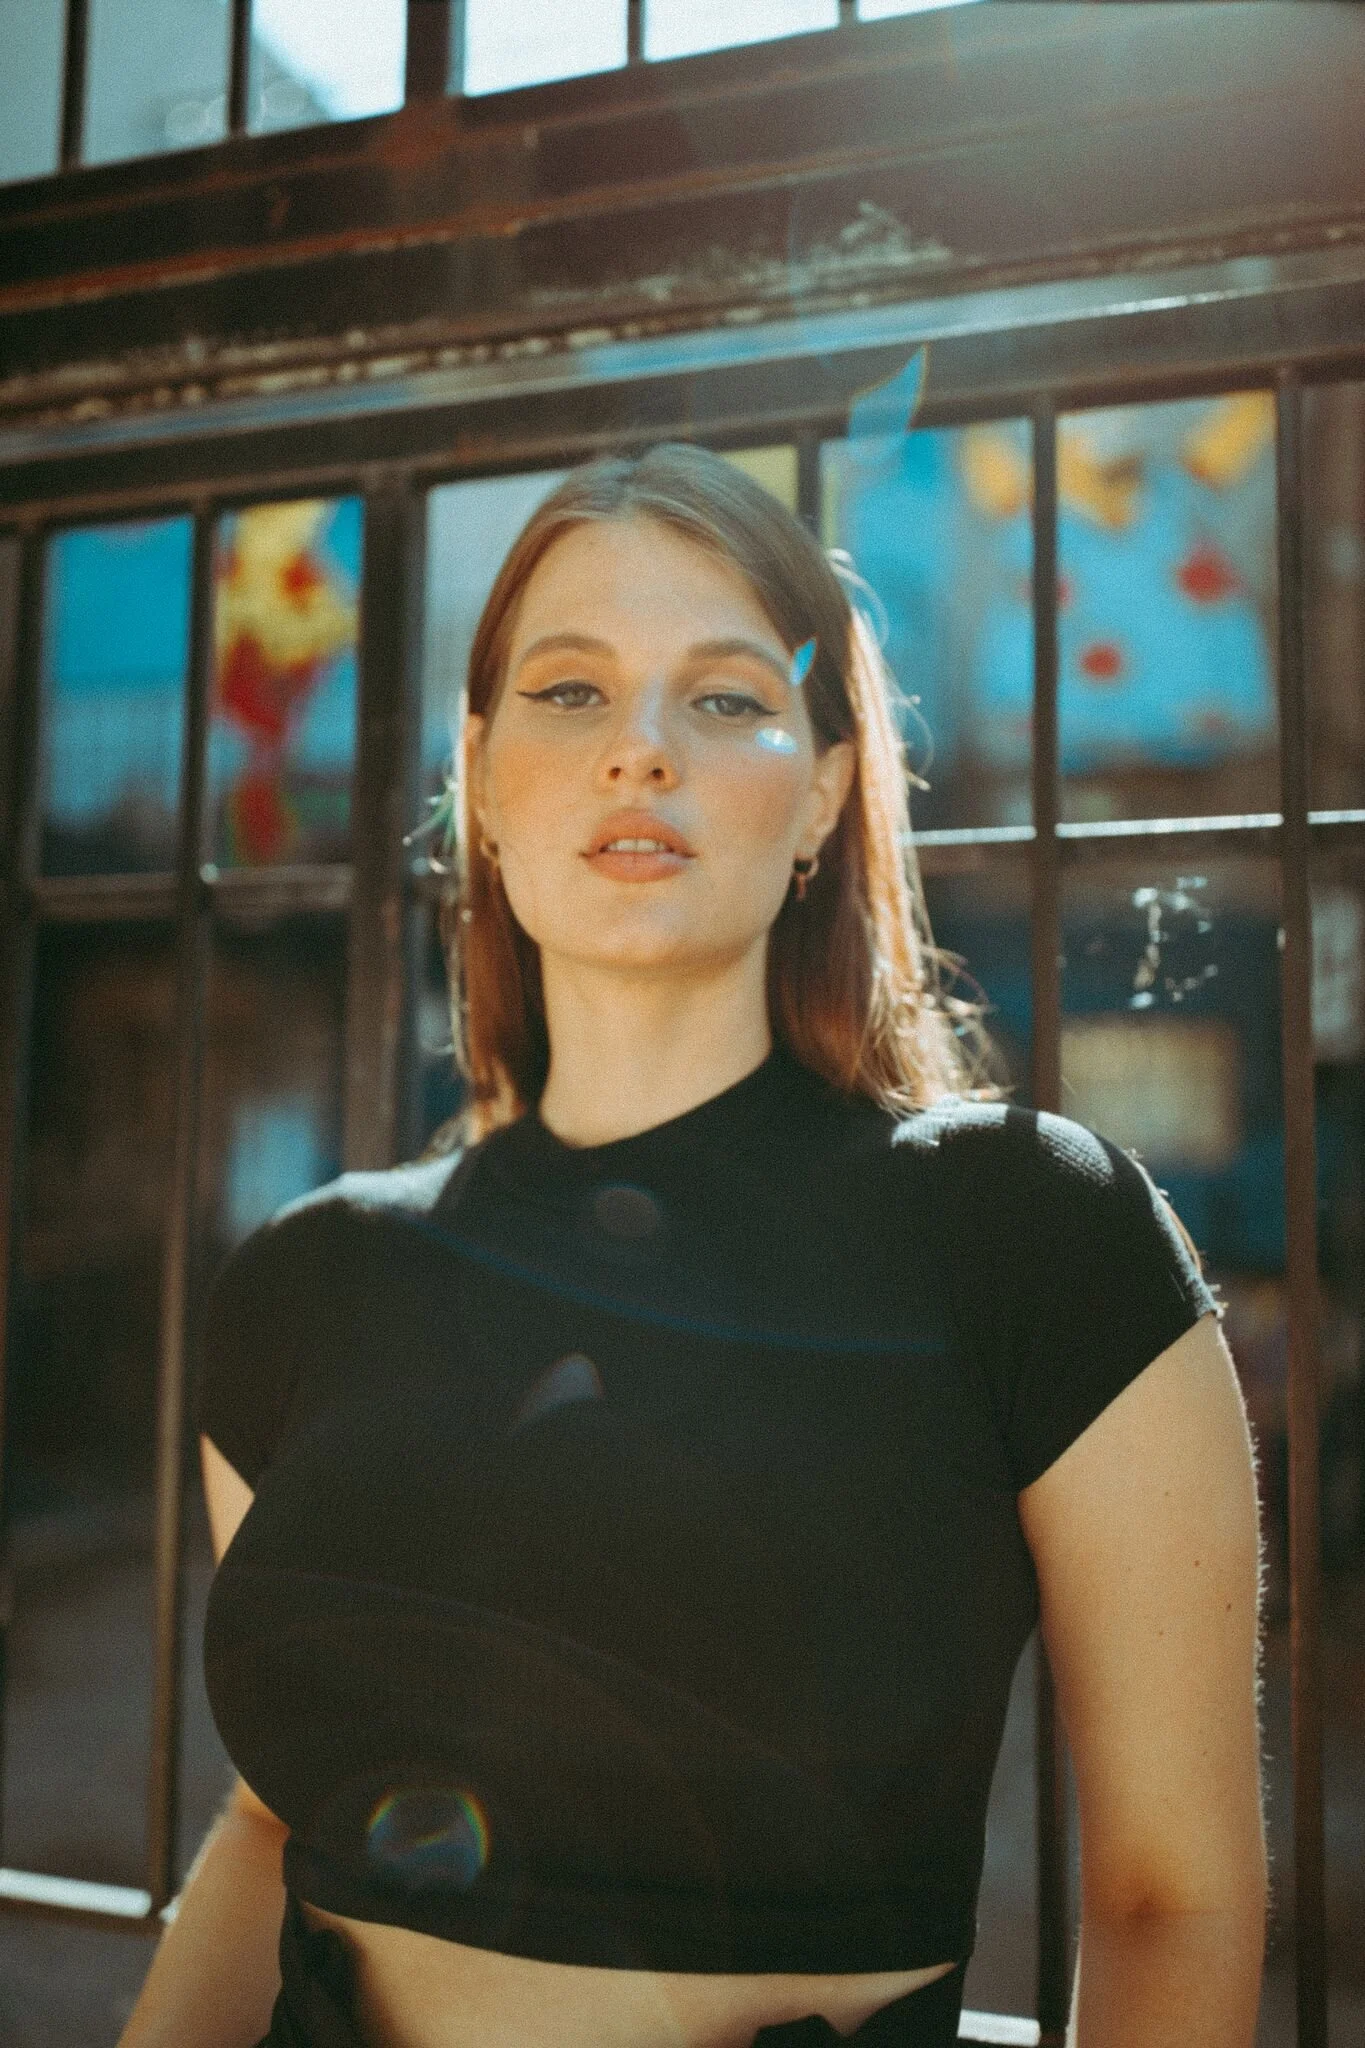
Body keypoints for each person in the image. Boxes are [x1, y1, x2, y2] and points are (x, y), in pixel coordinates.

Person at [118, 445, 1266, 2048]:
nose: (638, 750)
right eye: (570, 693)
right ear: (483, 783)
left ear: (823, 794)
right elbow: (262, 1828)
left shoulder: (1036, 1236)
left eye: (725, 699)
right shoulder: (307, 1281)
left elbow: (1171, 1897)